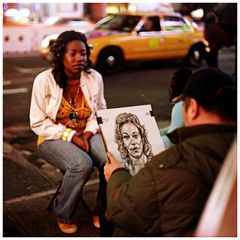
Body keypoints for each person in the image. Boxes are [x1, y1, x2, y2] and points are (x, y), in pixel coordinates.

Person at [104, 68, 236, 237]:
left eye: (135, 135)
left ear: (192, 108)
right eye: (126, 137)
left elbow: (123, 210)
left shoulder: (169, 165)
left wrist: (116, 174)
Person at [30, 30, 108, 234]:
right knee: (81, 164)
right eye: (72, 53)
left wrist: (88, 134)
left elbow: (100, 112)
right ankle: (63, 213)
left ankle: (101, 209)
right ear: (60, 55)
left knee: (110, 159)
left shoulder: (94, 78)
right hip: (52, 137)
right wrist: (70, 136)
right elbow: (37, 122)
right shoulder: (44, 80)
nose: (79, 58)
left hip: (87, 133)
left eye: (83, 53)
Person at [160, 68, 192, 148]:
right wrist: (158, 133)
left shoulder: (181, 105)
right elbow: (176, 128)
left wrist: (151, 143)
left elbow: (173, 140)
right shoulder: (188, 100)